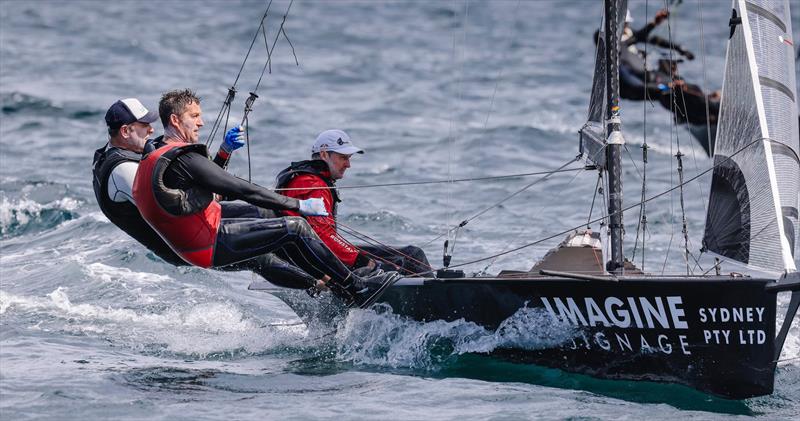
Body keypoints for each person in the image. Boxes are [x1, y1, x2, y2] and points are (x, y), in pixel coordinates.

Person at [131, 89, 400, 308]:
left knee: (275, 219)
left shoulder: (156, 151)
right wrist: (298, 205)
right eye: (195, 116)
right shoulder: (185, 158)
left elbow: (210, 188)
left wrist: (224, 153)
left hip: (195, 236)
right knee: (296, 226)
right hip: (206, 242)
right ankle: (353, 287)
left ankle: (326, 280)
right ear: (176, 121)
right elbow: (240, 189)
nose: (201, 122)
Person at [92, 98, 321, 289]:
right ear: (125, 131)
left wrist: (223, 154)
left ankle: (319, 266)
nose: (151, 130)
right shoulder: (123, 171)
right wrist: (222, 187)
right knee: (259, 257)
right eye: (144, 125)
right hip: (182, 243)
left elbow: (199, 188)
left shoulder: (132, 151)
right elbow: (180, 206)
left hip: (197, 221)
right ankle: (319, 288)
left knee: (266, 214)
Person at [275, 129, 432, 277]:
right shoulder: (313, 184)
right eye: (343, 158)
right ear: (324, 154)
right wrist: (365, 262)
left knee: (402, 258)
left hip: (307, 257)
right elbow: (324, 237)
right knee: (411, 256)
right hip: (316, 260)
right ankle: (434, 297)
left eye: (349, 158)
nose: (348, 164)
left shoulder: (305, 179)